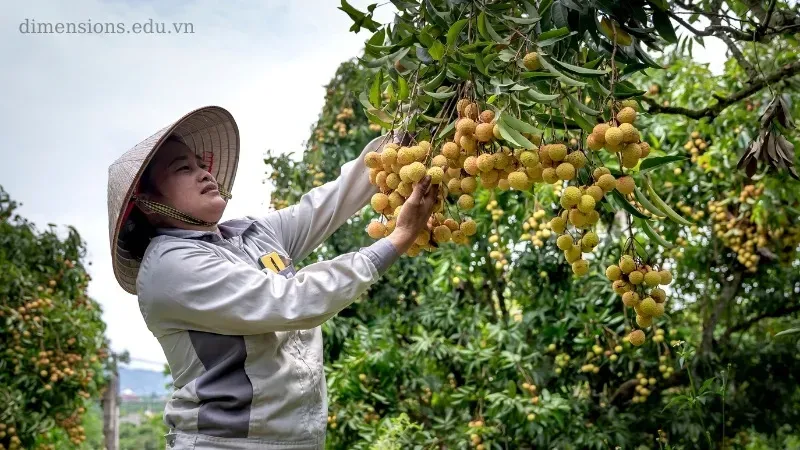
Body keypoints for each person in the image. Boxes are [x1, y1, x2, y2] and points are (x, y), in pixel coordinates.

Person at [106, 106, 438, 449]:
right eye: (183, 169)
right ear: (146, 204)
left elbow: (329, 203)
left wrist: (407, 136)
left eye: (199, 164)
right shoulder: (170, 267)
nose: (205, 174)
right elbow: (293, 300)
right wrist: (397, 239)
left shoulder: (250, 234)